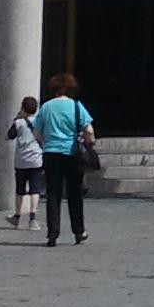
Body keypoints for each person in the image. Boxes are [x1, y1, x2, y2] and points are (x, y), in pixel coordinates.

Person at [34, 74, 95, 246]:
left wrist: (46, 144)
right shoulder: (76, 106)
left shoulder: (46, 107)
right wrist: (89, 143)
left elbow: (37, 133)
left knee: (53, 193)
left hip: (51, 153)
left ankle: (53, 233)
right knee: (74, 192)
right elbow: (89, 131)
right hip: (71, 153)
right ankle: (78, 230)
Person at [6, 95, 45, 227]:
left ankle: (17, 216)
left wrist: (16, 118)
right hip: (36, 158)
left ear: (23, 108)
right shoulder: (40, 122)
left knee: (20, 189)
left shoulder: (19, 123)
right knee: (35, 189)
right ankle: (33, 218)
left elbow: (8, 136)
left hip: (21, 160)